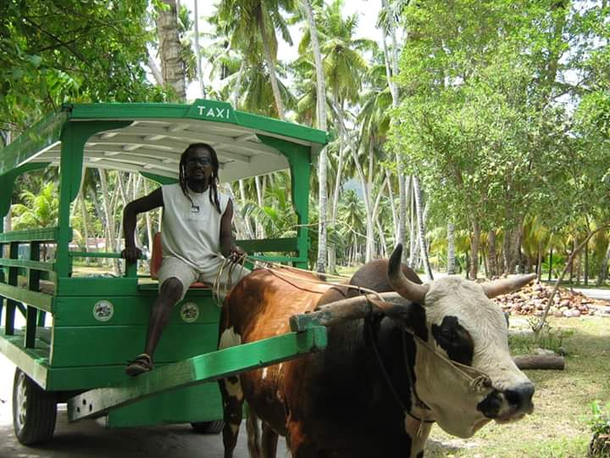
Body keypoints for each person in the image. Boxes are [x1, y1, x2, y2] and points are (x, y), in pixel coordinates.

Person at [121, 143, 249, 376]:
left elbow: (226, 240)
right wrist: (130, 245)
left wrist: (233, 251)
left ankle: (252, 349)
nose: (198, 165)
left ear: (213, 169)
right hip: (179, 260)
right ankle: (146, 356)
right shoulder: (168, 193)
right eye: (193, 161)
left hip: (212, 262)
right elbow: (131, 209)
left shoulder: (223, 201)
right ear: (184, 166)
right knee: (171, 286)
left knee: (254, 284)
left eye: (204, 162)